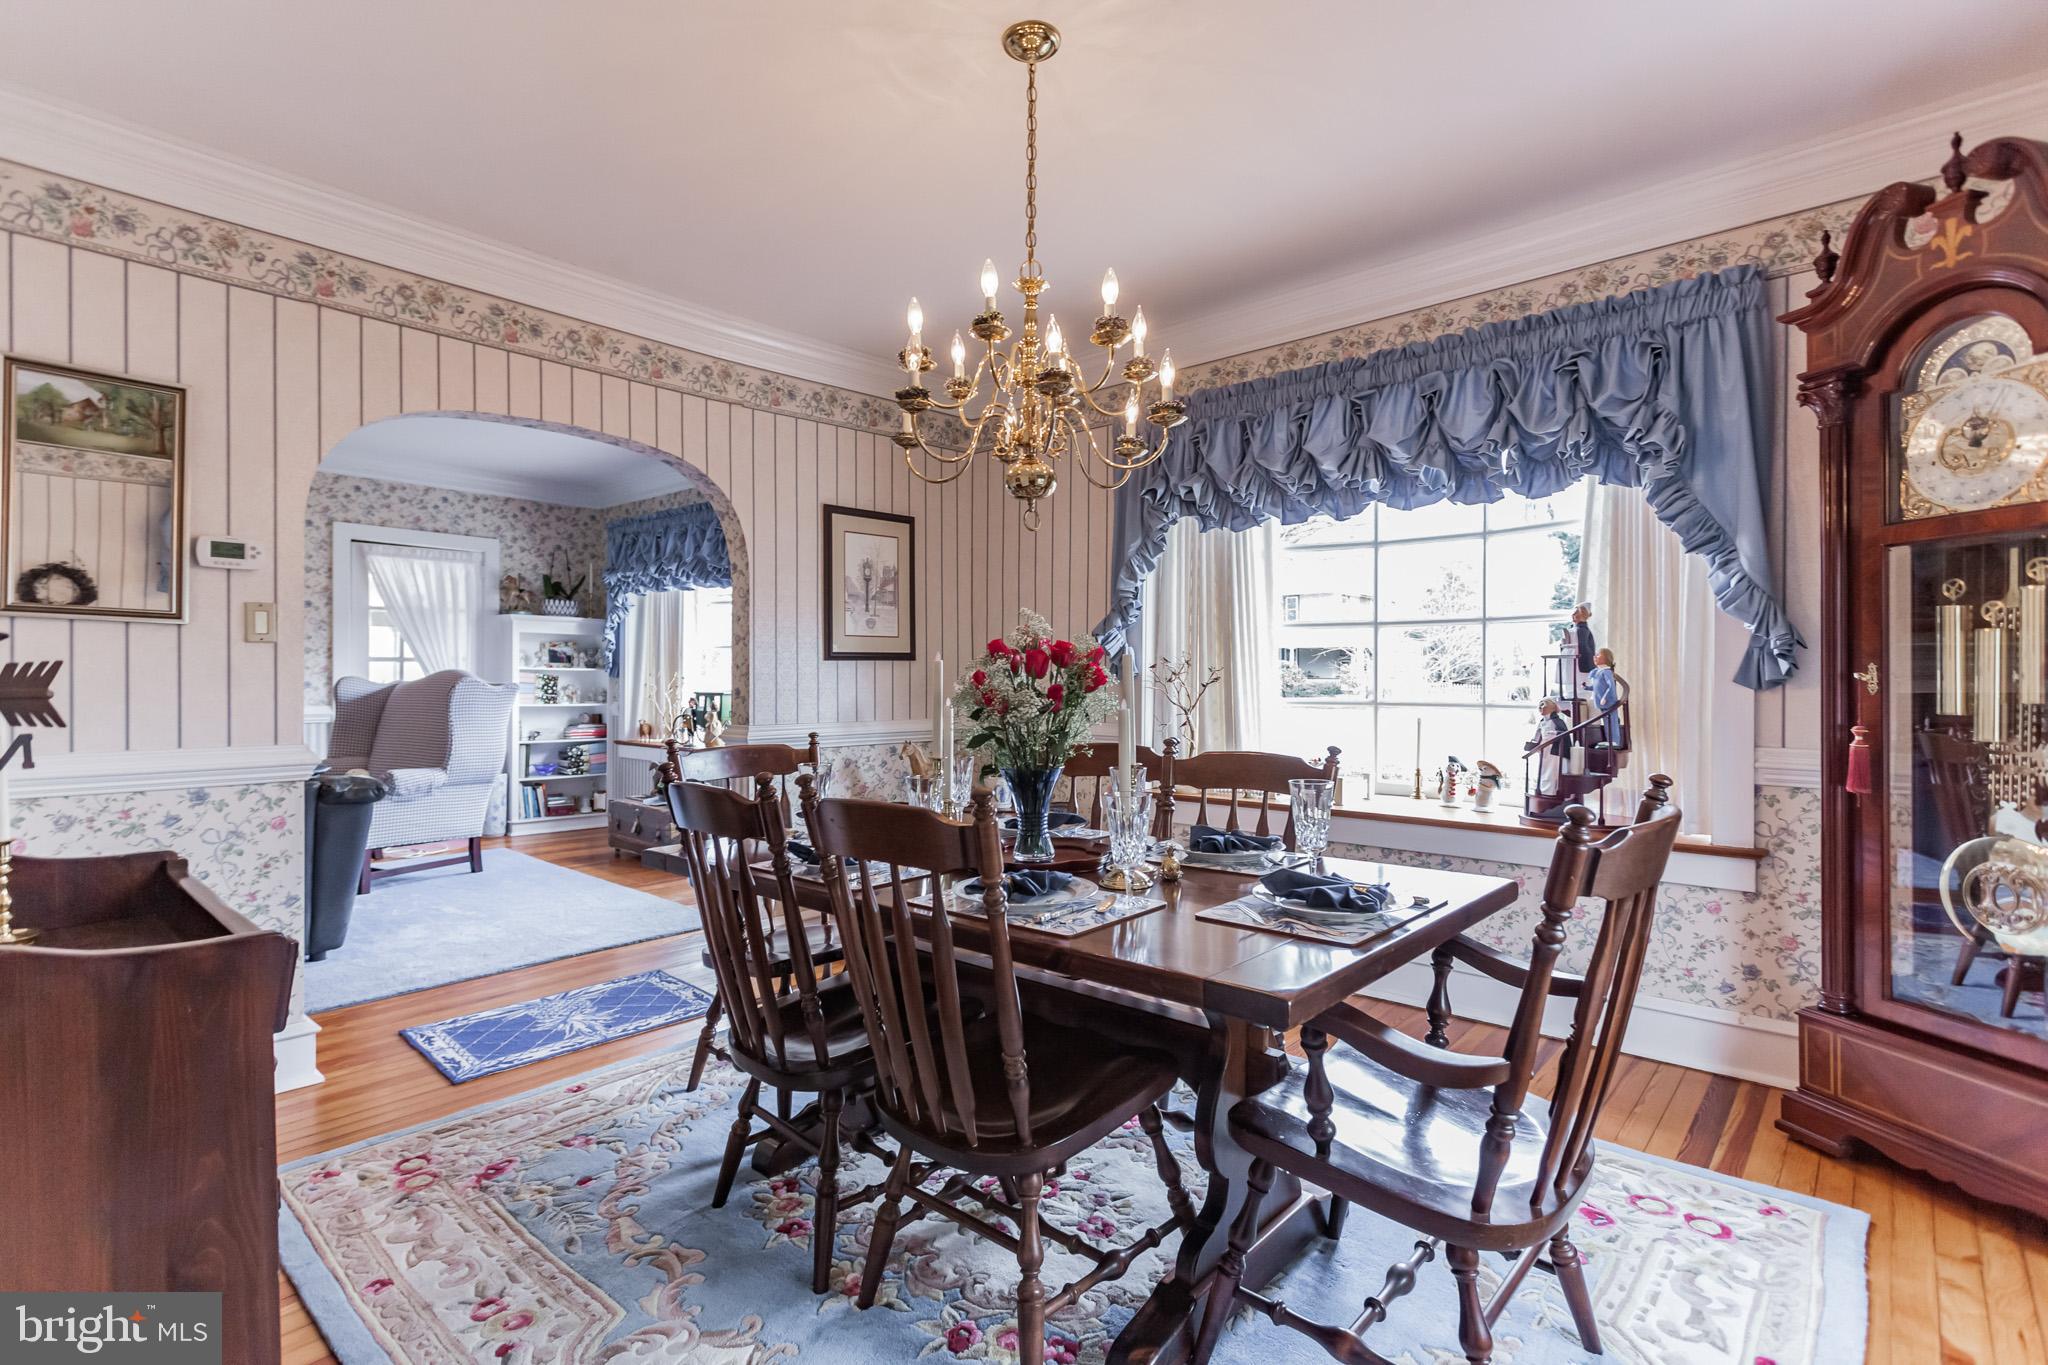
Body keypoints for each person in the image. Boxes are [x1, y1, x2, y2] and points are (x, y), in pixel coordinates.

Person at [1525, 698, 1571, 800]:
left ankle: (1552, 793)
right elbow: (1537, 736)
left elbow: (1562, 735)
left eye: (1543, 704)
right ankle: (1544, 791)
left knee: (1552, 773)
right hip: (1544, 752)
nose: (1540, 707)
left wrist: (1553, 735)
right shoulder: (1542, 722)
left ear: (1552, 707)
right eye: (1539, 705)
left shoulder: (1558, 722)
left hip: (1555, 752)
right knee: (1544, 772)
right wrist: (1532, 745)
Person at [1589, 647, 1624, 747]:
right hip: (1602, 704)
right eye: (1595, 654)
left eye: (1598, 655)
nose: (1595, 657)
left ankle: (1615, 742)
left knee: (1612, 722)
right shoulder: (1598, 672)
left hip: (1608, 702)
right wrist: (1586, 687)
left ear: (1606, 658)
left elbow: (1611, 686)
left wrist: (1605, 697)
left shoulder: (1606, 672)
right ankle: (1610, 741)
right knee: (1607, 723)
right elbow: (1597, 687)